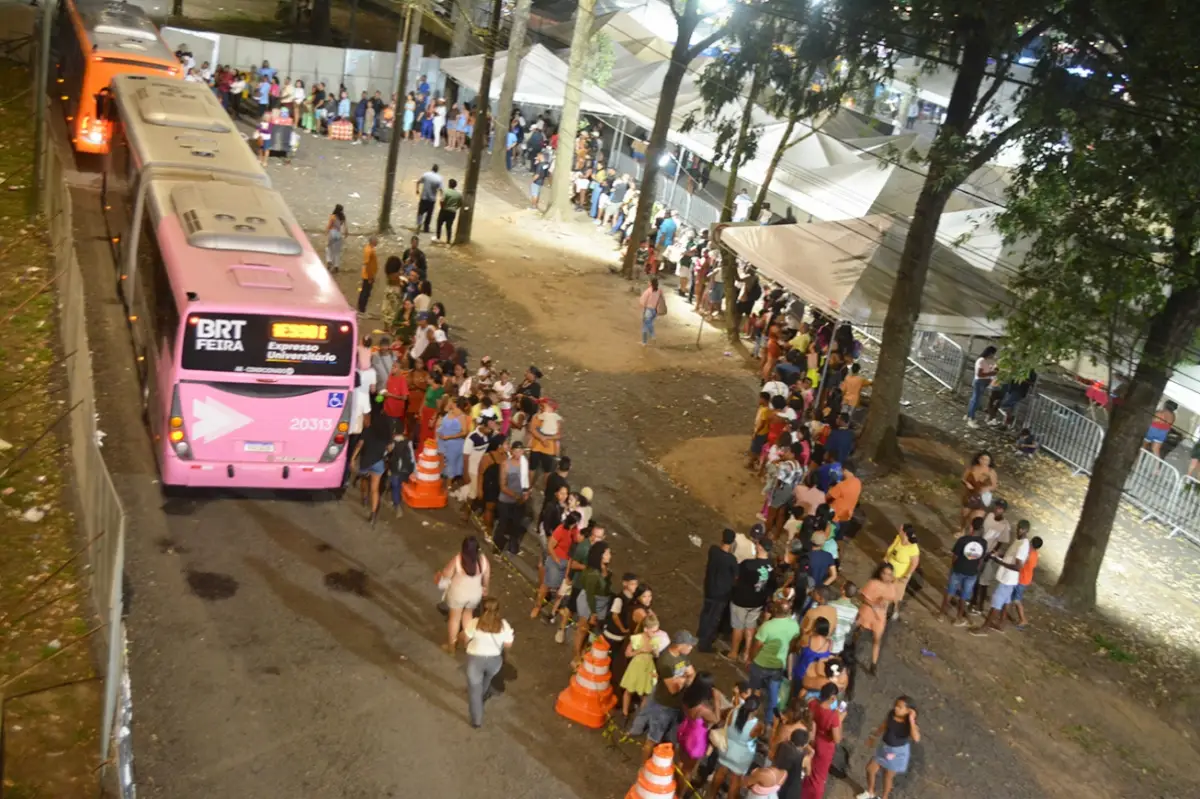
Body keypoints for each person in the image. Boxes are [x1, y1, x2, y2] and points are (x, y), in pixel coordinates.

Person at [629, 631, 697, 759]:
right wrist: (684, 679)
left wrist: (681, 680)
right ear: (680, 645)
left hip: (677, 706)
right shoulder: (666, 661)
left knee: (670, 740)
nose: (691, 648)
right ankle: (644, 766)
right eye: (689, 645)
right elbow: (673, 689)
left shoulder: (682, 656)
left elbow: (692, 673)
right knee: (653, 739)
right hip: (663, 706)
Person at [461, 596, 513, 728]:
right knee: (487, 679)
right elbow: (508, 644)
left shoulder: (475, 623)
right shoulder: (504, 625)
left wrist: (467, 647)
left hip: (475, 661)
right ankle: (483, 694)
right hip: (494, 661)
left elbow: (466, 639)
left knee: (474, 692)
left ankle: (476, 720)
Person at [972, 519, 1031, 636]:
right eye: (1018, 527)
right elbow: (1011, 556)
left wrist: (1000, 562)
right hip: (1008, 579)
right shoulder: (1018, 541)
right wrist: (1000, 555)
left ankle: (984, 629)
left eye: (1022, 529)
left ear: (1026, 531)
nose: (1019, 530)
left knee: (996, 603)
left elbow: (1018, 566)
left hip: (1007, 579)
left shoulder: (1023, 545)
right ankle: (1001, 625)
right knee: (1006, 602)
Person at [858, 696, 921, 799]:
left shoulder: (909, 724)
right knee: (870, 769)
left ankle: (884, 797)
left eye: (900, 707)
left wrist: (911, 720)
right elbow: (884, 725)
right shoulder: (891, 714)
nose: (896, 708)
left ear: (908, 711)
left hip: (896, 752)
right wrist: (873, 736)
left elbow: (916, 738)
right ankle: (870, 792)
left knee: (888, 776)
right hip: (884, 747)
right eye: (896, 705)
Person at [438, 536, 490, 654]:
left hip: (458, 595)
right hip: (474, 595)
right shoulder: (483, 561)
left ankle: (452, 646)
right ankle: (468, 643)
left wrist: (441, 580)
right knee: (468, 615)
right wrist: (485, 591)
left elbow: (446, 573)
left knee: (454, 619)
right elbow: (486, 581)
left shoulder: (458, 560)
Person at [749, 599, 798, 721]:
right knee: (773, 695)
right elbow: (793, 644)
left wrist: (751, 659)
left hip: (760, 663)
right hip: (778, 666)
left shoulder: (767, 626)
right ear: (788, 612)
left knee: (755, 691)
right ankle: (769, 722)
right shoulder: (794, 625)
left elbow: (757, 645)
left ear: (774, 610)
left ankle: (750, 717)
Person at [728, 537, 774, 664]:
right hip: (758, 601)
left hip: (741, 600)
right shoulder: (771, 565)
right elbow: (771, 585)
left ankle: (734, 652)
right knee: (751, 627)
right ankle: (747, 653)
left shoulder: (748, 564)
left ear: (759, 547)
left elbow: (737, 578)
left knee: (738, 627)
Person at [621, 613, 670, 719]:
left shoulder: (656, 640)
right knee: (629, 690)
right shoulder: (637, 638)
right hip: (636, 666)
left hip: (648, 667)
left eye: (656, 631)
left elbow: (656, 655)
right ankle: (624, 713)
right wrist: (640, 650)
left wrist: (655, 647)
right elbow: (627, 653)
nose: (655, 633)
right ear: (646, 629)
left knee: (646, 693)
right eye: (653, 631)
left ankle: (640, 716)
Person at [852, 563, 896, 675]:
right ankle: (851, 648)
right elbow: (862, 596)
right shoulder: (872, 583)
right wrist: (873, 603)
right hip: (868, 611)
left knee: (877, 639)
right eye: (885, 573)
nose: (887, 577)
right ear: (880, 573)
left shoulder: (891, 587)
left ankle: (873, 664)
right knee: (859, 630)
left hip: (880, 616)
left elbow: (892, 600)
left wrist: (886, 603)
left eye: (889, 575)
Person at [698, 528, 738, 652]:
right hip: (721, 594)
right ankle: (705, 644)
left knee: (706, 613)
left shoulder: (713, 550)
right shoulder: (731, 560)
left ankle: (701, 632)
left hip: (709, 589)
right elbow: (736, 576)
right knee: (714, 618)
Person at [941, 517, 986, 626]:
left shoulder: (963, 540)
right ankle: (958, 618)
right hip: (971, 573)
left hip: (958, 569)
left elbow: (955, 556)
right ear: (982, 528)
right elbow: (981, 559)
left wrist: (953, 567)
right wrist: (977, 570)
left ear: (971, 526)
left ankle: (941, 615)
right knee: (964, 597)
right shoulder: (984, 543)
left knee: (950, 592)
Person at [802, 683, 844, 799]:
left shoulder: (812, 703)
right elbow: (837, 739)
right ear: (832, 698)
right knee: (819, 777)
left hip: (813, 739)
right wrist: (840, 719)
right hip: (825, 746)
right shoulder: (833, 716)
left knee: (809, 769)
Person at [492, 441, 531, 555]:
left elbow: (526, 480)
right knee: (503, 524)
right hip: (506, 500)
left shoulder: (524, 463)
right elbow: (503, 486)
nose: (519, 453)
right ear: (512, 451)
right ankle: (497, 548)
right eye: (516, 451)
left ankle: (513, 547)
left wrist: (526, 493)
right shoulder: (506, 464)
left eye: (521, 451)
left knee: (516, 524)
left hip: (519, 501)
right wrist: (516, 496)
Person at [884, 524, 920, 618]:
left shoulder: (913, 548)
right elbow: (892, 549)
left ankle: (895, 610)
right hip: (889, 570)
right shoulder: (898, 538)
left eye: (901, 529)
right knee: (885, 590)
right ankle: (883, 610)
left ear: (905, 533)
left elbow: (914, 564)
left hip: (900, 575)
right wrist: (886, 557)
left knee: (895, 594)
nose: (899, 530)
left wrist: (906, 576)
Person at [1011, 534, 1042, 629]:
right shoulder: (1035, 554)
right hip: (1026, 578)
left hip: (1022, 579)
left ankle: (1023, 619)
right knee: (1013, 597)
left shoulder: (1029, 554)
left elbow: (1021, 563)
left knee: (1017, 600)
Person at [961, 450, 999, 525]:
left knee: (976, 518)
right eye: (982, 459)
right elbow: (963, 479)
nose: (984, 461)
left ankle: (972, 533)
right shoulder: (971, 468)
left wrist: (988, 488)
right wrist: (967, 483)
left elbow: (995, 486)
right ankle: (962, 529)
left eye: (987, 460)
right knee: (964, 514)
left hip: (983, 497)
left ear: (990, 462)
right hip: (970, 495)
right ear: (978, 459)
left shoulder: (991, 472)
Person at [966, 345, 998, 427]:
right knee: (975, 400)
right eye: (993, 354)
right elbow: (980, 374)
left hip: (982, 382)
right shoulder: (981, 360)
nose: (993, 356)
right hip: (980, 382)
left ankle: (969, 415)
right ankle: (971, 418)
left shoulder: (984, 360)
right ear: (990, 353)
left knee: (975, 399)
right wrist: (991, 373)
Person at [415, 164, 444, 233]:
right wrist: (441, 198)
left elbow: (418, 182)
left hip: (424, 197)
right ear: (437, 170)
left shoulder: (426, 175)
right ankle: (426, 227)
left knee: (420, 212)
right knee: (429, 214)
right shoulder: (439, 178)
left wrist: (417, 190)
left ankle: (419, 223)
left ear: (432, 168)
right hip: (432, 199)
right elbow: (441, 190)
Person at [639, 277, 666, 345]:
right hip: (655, 311)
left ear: (651, 283)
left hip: (648, 310)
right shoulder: (659, 290)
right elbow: (662, 299)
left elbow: (643, 301)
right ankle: (644, 342)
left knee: (647, 324)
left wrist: (643, 308)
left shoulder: (648, 291)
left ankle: (652, 335)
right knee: (646, 325)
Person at [358, 235, 379, 314]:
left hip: (368, 274)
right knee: (365, 292)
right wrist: (370, 277)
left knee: (365, 291)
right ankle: (362, 309)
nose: (377, 242)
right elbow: (367, 265)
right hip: (368, 275)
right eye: (376, 240)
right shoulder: (369, 251)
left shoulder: (369, 249)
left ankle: (361, 308)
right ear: (373, 241)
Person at [436, 178, 461, 244]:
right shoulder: (458, 194)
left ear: (449, 184)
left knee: (439, 224)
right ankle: (448, 241)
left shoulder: (446, 191)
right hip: (452, 212)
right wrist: (455, 208)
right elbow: (460, 204)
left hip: (444, 210)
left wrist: (442, 207)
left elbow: (441, 201)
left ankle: (438, 238)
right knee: (449, 227)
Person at [325, 204, 346, 272]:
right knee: (337, 251)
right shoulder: (343, 217)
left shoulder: (333, 216)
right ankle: (336, 266)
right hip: (339, 234)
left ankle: (329, 260)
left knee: (328, 248)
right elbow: (346, 228)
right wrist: (346, 234)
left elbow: (329, 225)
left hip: (332, 233)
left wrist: (326, 232)